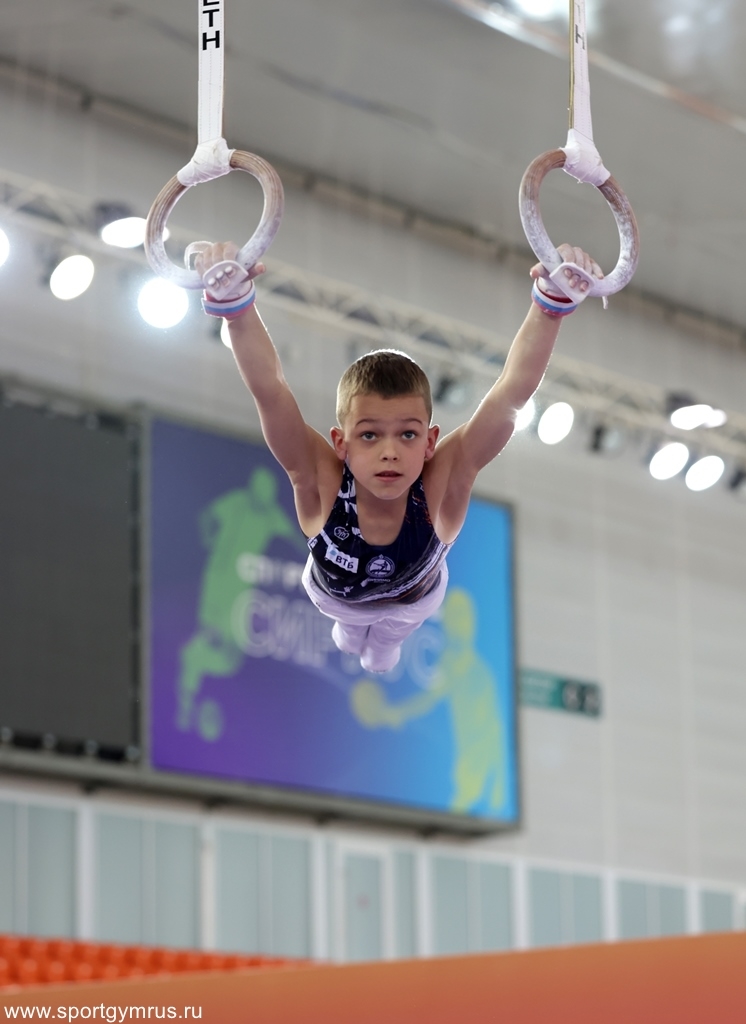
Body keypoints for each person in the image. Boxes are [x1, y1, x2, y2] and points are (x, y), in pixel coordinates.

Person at [195, 240, 602, 673]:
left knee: (383, 650)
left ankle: (381, 645)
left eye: (407, 434)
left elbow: (510, 394)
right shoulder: (320, 480)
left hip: (413, 604)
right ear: (341, 443)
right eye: (369, 435)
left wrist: (550, 305)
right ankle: (352, 633)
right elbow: (270, 391)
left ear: (430, 442)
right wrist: (236, 308)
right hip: (336, 600)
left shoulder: (442, 482)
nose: (389, 453)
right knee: (350, 635)